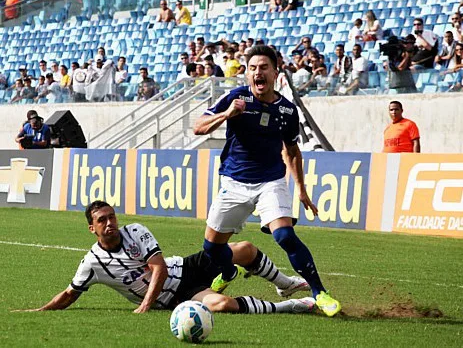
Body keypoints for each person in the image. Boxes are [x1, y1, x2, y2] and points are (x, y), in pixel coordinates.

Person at [192, 45, 341, 317]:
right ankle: (228, 271)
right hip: (234, 182)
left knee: (284, 235)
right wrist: (227, 115)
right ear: (247, 74)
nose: (257, 73)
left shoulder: (287, 110)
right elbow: (198, 127)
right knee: (212, 249)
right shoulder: (236, 98)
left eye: (263, 68)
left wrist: (302, 191)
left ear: (275, 72)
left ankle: (319, 292)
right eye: (252, 68)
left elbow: (293, 152)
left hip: (271, 182)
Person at [15, 201, 316, 315]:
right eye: (102, 220)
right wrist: (40, 310)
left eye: (111, 217)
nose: (110, 223)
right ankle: (288, 306)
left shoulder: (135, 231)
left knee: (246, 248)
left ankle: (286, 283)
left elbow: (157, 268)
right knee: (221, 305)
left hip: (182, 268)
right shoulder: (92, 263)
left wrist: (144, 305)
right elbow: (70, 293)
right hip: (177, 297)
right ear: (91, 228)